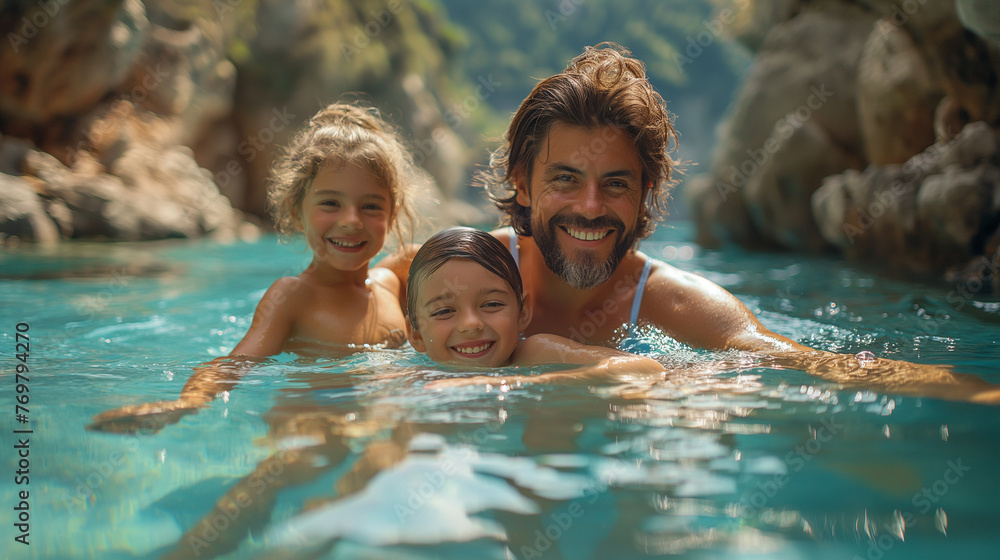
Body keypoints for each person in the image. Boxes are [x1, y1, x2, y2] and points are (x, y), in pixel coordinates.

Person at [381, 43, 1000, 403]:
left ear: (646, 191)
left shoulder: (675, 305)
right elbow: (378, 286)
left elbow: (807, 363)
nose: (591, 207)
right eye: (565, 179)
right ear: (522, 183)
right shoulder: (469, 271)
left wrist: (977, 392)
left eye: (616, 184)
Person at [90, 102, 420, 432]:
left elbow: (424, 260)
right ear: (296, 210)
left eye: (371, 206)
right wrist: (189, 402)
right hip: (308, 426)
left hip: (377, 426)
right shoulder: (293, 297)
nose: (351, 220)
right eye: (331, 203)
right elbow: (236, 363)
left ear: (392, 214)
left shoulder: (391, 284)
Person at [407, 227, 666, 387]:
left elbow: (646, 369)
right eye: (444, 311)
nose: (471, 323)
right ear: (416, 334)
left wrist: (516, 382)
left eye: (492, 304)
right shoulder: (413, 378)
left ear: (522, 313)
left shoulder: (534, 354)